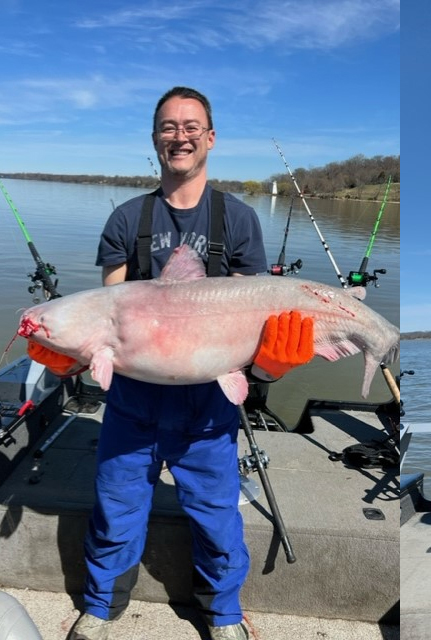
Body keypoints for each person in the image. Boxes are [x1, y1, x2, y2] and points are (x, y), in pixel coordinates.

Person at [67, 86, 312, 640]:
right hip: (133, 403)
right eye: (168, 126)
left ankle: (223, 612)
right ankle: (102, 604)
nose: (180, 136)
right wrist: (71, 349)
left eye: (191, 125)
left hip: (208, 409)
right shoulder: (127, 219)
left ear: (211, 137)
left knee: (219, 519)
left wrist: (270, 362)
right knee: (115, 511)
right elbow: (109, 310)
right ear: (155, 138)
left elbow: (255, 315)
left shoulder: (240, 219)